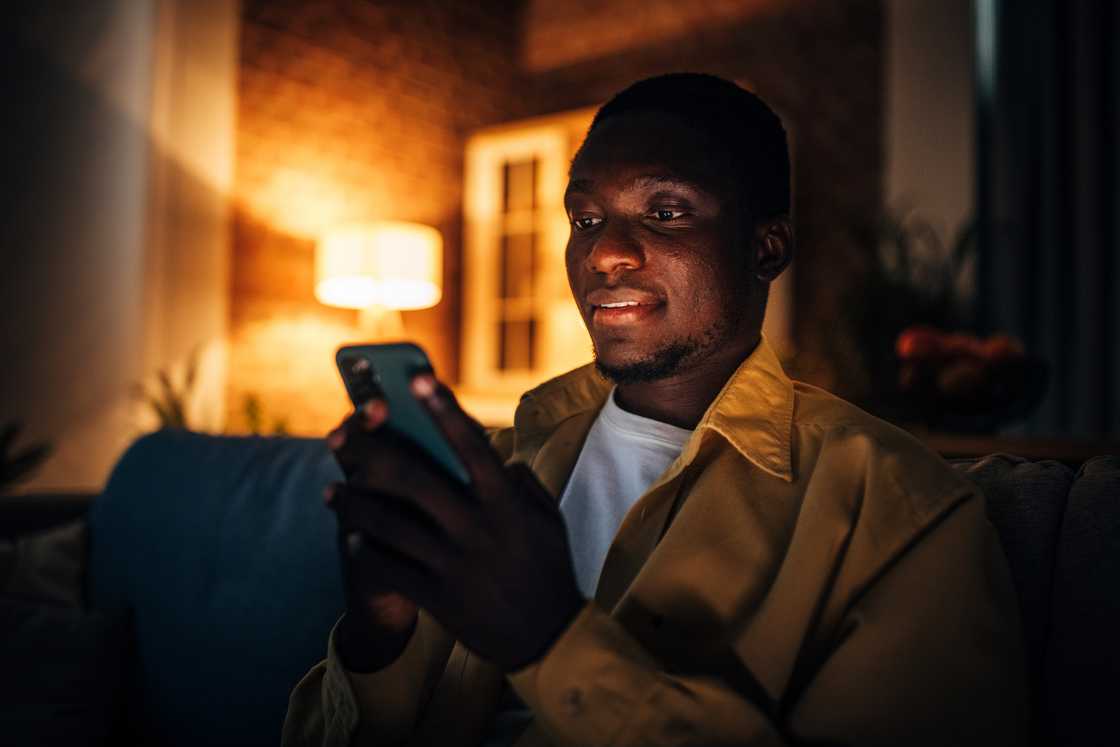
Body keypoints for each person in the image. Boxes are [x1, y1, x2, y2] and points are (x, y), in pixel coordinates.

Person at [283, 73, 1029, 747]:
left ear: (766, 247)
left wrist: (547, 638)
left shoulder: (903, 514)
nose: (605, 253)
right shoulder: (498, 465)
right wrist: (379, 636)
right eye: (585, 219)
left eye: (664, 210)